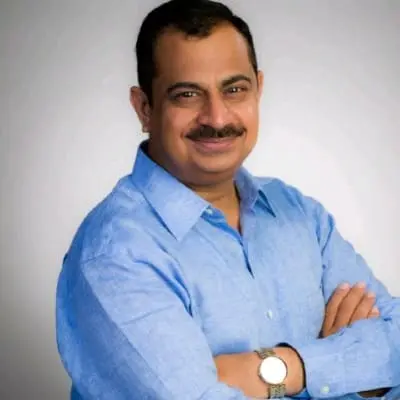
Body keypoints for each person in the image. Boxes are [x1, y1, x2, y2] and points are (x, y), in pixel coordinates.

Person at [56, 1, 400, 399]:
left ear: (258, 89)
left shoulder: (299, 214)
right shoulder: (115, 254)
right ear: (144, 108)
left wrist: (287, 367)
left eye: (234, 89)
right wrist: (348, 370)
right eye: (187, 95)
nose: (217, 118)